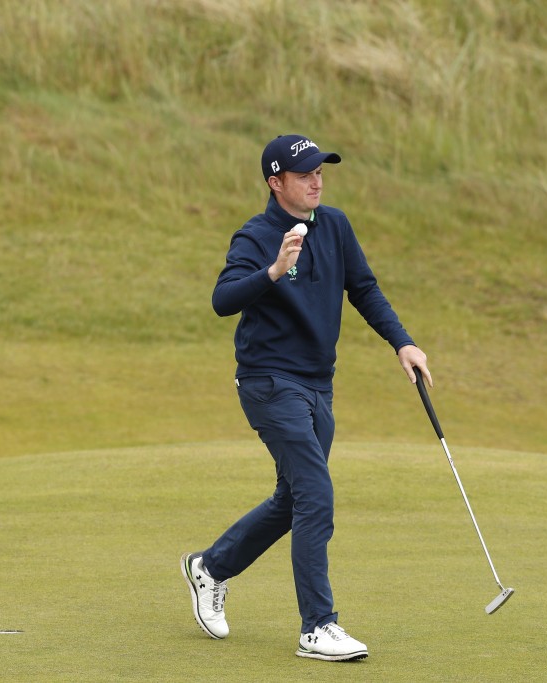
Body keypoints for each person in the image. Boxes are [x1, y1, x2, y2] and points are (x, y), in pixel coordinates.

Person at [181, 134, 431, 662]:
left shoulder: (335, 225)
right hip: (269, 383)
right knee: (316, 493)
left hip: (319, 383)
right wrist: (272, 271)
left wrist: (402, 343)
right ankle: (317, 627)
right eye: (305, 174)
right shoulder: (255, 236)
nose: (317, 180)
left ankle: (210, 567)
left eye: (321, 171)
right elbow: (222, 300)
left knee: (292, 501)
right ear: (276, 183)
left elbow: (363, 288)